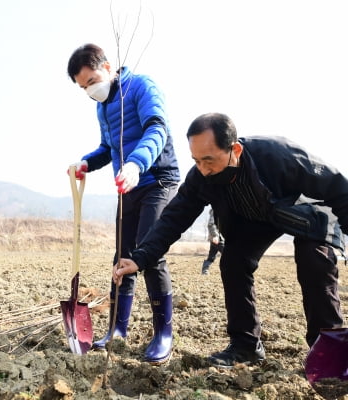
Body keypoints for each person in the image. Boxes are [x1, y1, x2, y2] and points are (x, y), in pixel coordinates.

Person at [114, 112, 348, 368]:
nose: (203, 169)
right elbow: (173, 219)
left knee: (314, 260)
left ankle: (329, 351)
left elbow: (338, 188)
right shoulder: (201, 178)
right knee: (233, 262)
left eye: (209, 160)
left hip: (305, 214)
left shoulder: (277, 156)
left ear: (234, 149)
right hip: (254, 221)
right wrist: (140, 258)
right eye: (197, 161)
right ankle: (246, 346)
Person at [67, 43, 180, 364]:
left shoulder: (141, 86)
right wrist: (87, 162)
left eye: (91, 81)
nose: (90, 90)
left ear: (108, 65)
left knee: (150, 253)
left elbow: (157, 128)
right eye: (83, 87)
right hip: (126, 186)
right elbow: (107, 147)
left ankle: (163, 333)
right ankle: (118, 328)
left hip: (156, 179)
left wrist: (136, 164)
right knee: (122, 258)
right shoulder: (102, 107)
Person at [202, 208, 224, 275]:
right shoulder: (216, 209)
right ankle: (233, 270)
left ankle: (205, 270)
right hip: (217, 237)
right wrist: (215, 236)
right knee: (228, 254)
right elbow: (211, 224)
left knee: (211, 255)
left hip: (218, 237)